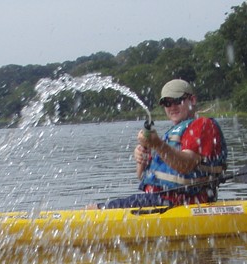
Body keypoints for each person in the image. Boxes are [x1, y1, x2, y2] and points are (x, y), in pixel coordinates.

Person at [93, 79, 227, 209]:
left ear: (192, 100)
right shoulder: (173, 136)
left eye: (177, 101)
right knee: (95, 208)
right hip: (160, 201)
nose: (172, 107)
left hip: (180, 202)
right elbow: (141, 176)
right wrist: (141, 158)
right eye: (167, 103)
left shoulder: (203, 125)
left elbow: (186, 165)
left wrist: (157, 144)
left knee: (94, 210)